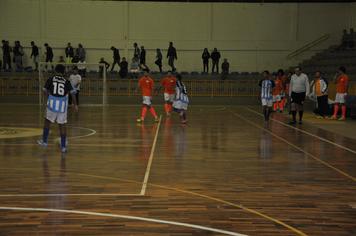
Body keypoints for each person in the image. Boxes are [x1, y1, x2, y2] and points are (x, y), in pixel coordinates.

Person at [37, 64, 78, 153]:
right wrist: (75, 105)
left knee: (47, 122)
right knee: (62, 125)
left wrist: (47, 98)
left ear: (55, 71)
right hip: (62, 106)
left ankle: (44, 141)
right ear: (63, 72)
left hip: (52, 104)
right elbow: (73, 94)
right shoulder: (66, 81)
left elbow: (44, 90)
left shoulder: (51, 79)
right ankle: (63, 147)